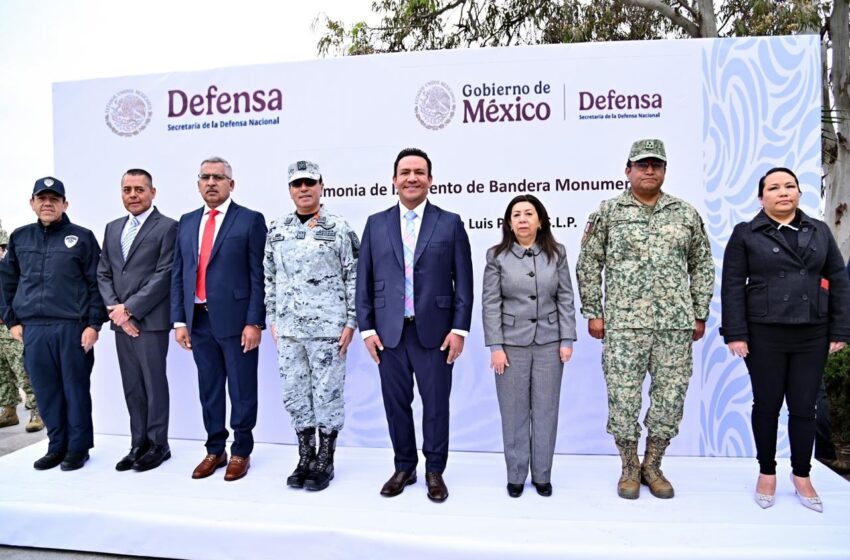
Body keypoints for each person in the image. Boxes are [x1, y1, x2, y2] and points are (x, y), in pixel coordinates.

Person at [576, 139, 714, 500]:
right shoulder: (608, 212)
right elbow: (589, 262)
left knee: (669, 398)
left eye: (656, 164)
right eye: (642, 164)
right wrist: (594, 311)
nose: (649, 170)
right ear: (628, 170)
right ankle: (628, 466)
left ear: (665, 171)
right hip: (623, 325)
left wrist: (699, 312)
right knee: (623, 399)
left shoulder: (685, 213)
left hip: (674, 326)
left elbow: (701, 264)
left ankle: (652, 465)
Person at [720, 167, 850, 512]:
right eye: (774, 187)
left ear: (798, 193)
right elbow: (732, 284)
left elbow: (838, 278)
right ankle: (766, 471)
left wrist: (840, 329)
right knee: (766, 405)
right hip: (764, 334)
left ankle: (802, 474)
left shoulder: (819, 231)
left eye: (790, 186)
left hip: (812, 332)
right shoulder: (746, 233)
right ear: (761, 197)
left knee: (805, 407)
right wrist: (736, 333)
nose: (783, 192)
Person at [355, 147, 474, 503]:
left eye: (419, 172)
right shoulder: (376, 224)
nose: (411, 178)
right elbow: (365, 279)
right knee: (396, 404)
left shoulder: (449, 222)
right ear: (393, 180)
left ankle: (434, 469)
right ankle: (404, 466)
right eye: (405, 172)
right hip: (389, 333)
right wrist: (367, 328)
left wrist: (459, 329)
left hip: (436, 334)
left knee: (436, 404)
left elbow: (463, 282)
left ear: (430, 180)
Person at [264, 160, 359, 491]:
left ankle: (325, 460)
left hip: (328, 329)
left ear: (321, 186)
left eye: (309, 183)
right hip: (289, 331)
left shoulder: (340, 228)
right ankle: (305, 456)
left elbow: (354, 276)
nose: (303, 189)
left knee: (327, 394)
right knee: (295, 395)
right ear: (290, 190)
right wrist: (273, 319)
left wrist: (351, 322)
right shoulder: (277, 229)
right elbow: (270, 277)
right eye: (297, 184)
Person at [0, 177, 106, 471]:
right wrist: (11, 321)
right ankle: (56, 445)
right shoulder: (20, 238)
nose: (48, 204)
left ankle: (78, 447)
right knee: (46, 391)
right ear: (32, 203)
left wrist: (93, 324)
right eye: (42, 199)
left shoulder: (82, 237)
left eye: (54, 199)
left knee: (75, 389)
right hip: (34, 330)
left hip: (72, 327)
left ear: (65, 204)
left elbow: (96, 283)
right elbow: (6, 281)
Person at [171, 157, 267, 481]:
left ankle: (241, 450)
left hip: (238, 323)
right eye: (205, 177)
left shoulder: (250, 220)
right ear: (198, 183)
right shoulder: (185, 222)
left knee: (242, 390)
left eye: (218, 177)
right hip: (197, 321)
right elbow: (178, 274)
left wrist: (255, 322)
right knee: (209, 389)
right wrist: (179, 321)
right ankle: (215, 449)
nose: (211, 182)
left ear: (231, 184)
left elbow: (259, 275)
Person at [481, 194, 576, 498]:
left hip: (550, 344)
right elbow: (490, 304)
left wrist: (566, 339)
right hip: (510, 346)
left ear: (540, 220)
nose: (522, 219)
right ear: (509, 223)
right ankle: (516, 474)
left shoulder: (556, 254)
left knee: (547, 411)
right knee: (513, 412)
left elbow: (565, 298)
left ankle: (543, 475)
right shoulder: (496, 256)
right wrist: (495, 346)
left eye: (528, 213)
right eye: (516, 215)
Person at [97, 169, 177, 472]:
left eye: (139, 189)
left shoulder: (168, 227)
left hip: (150, 321)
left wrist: (129, 309)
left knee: (154, 384)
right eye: (127, 189)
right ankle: (138, 443)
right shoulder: (112, 227)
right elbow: (104, 271)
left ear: (152, 192)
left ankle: (159, 444)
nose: (133, 195)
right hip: (120, 322)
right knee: (132, 385)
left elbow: (164, 273)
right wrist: (115, 309)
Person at [0, 219, 43, 433]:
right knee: (2, 373)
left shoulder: (11, 268)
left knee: (25, 370)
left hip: (12, 328)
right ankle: (9, 409)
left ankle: (37, 410)